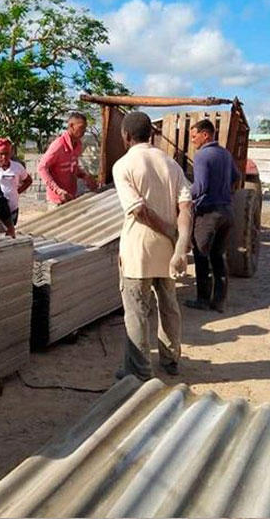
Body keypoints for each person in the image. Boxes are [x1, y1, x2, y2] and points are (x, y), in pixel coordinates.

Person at [112, 111, 193, 380]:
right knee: (169, 305)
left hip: (138, 251)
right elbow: (186, 208)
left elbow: (139, 211)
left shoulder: (123, 165)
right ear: (153, 134)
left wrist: (171, 233)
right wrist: (180, 244)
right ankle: (170, 360)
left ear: (126, 136)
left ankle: (139, 372)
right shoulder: (171, 164)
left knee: (136, 312)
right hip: (168, 252)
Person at [184, 119, 239, 312]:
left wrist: (182, 197)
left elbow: (200, 187)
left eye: (194, 136)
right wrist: (222, 190)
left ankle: (202, 299)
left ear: (205, 135)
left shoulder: (202, 156)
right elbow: (236, 176)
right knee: (217, 256)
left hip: (208, 214)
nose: (192, 140)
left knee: (201, 255)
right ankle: (219, 300)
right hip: (227, 212)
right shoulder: (225, 154)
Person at [38, 112, 99, 209]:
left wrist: (85, 176)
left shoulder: (78, 144)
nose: (84, 131)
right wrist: (58, 190)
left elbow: (72, 166)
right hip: (57, 201)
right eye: (81, 127)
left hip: (71, 197)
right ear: (71, 126)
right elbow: (42, 167)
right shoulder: (59, 145)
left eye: (85, 128)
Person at [0, 138, 32, 225]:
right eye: (1, 154)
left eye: (7, 154)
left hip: (12, 208)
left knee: (10, 232)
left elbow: (28, 180)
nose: (4, 157)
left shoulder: (17, 167)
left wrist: (17, 192)